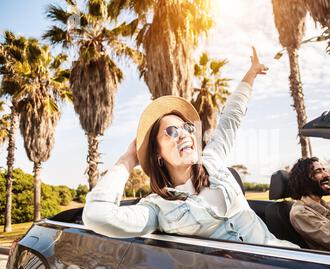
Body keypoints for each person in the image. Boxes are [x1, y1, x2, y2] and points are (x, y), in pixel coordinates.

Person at [82, 47, 298, 249]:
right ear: (157, 153)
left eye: (186, 128)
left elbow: (231, 117)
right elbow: (98, 216)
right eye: (171, 132)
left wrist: (251, 73)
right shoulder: (157, 208)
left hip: (289, 258)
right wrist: (128, 159)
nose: (184, 133)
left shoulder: (213, 159)